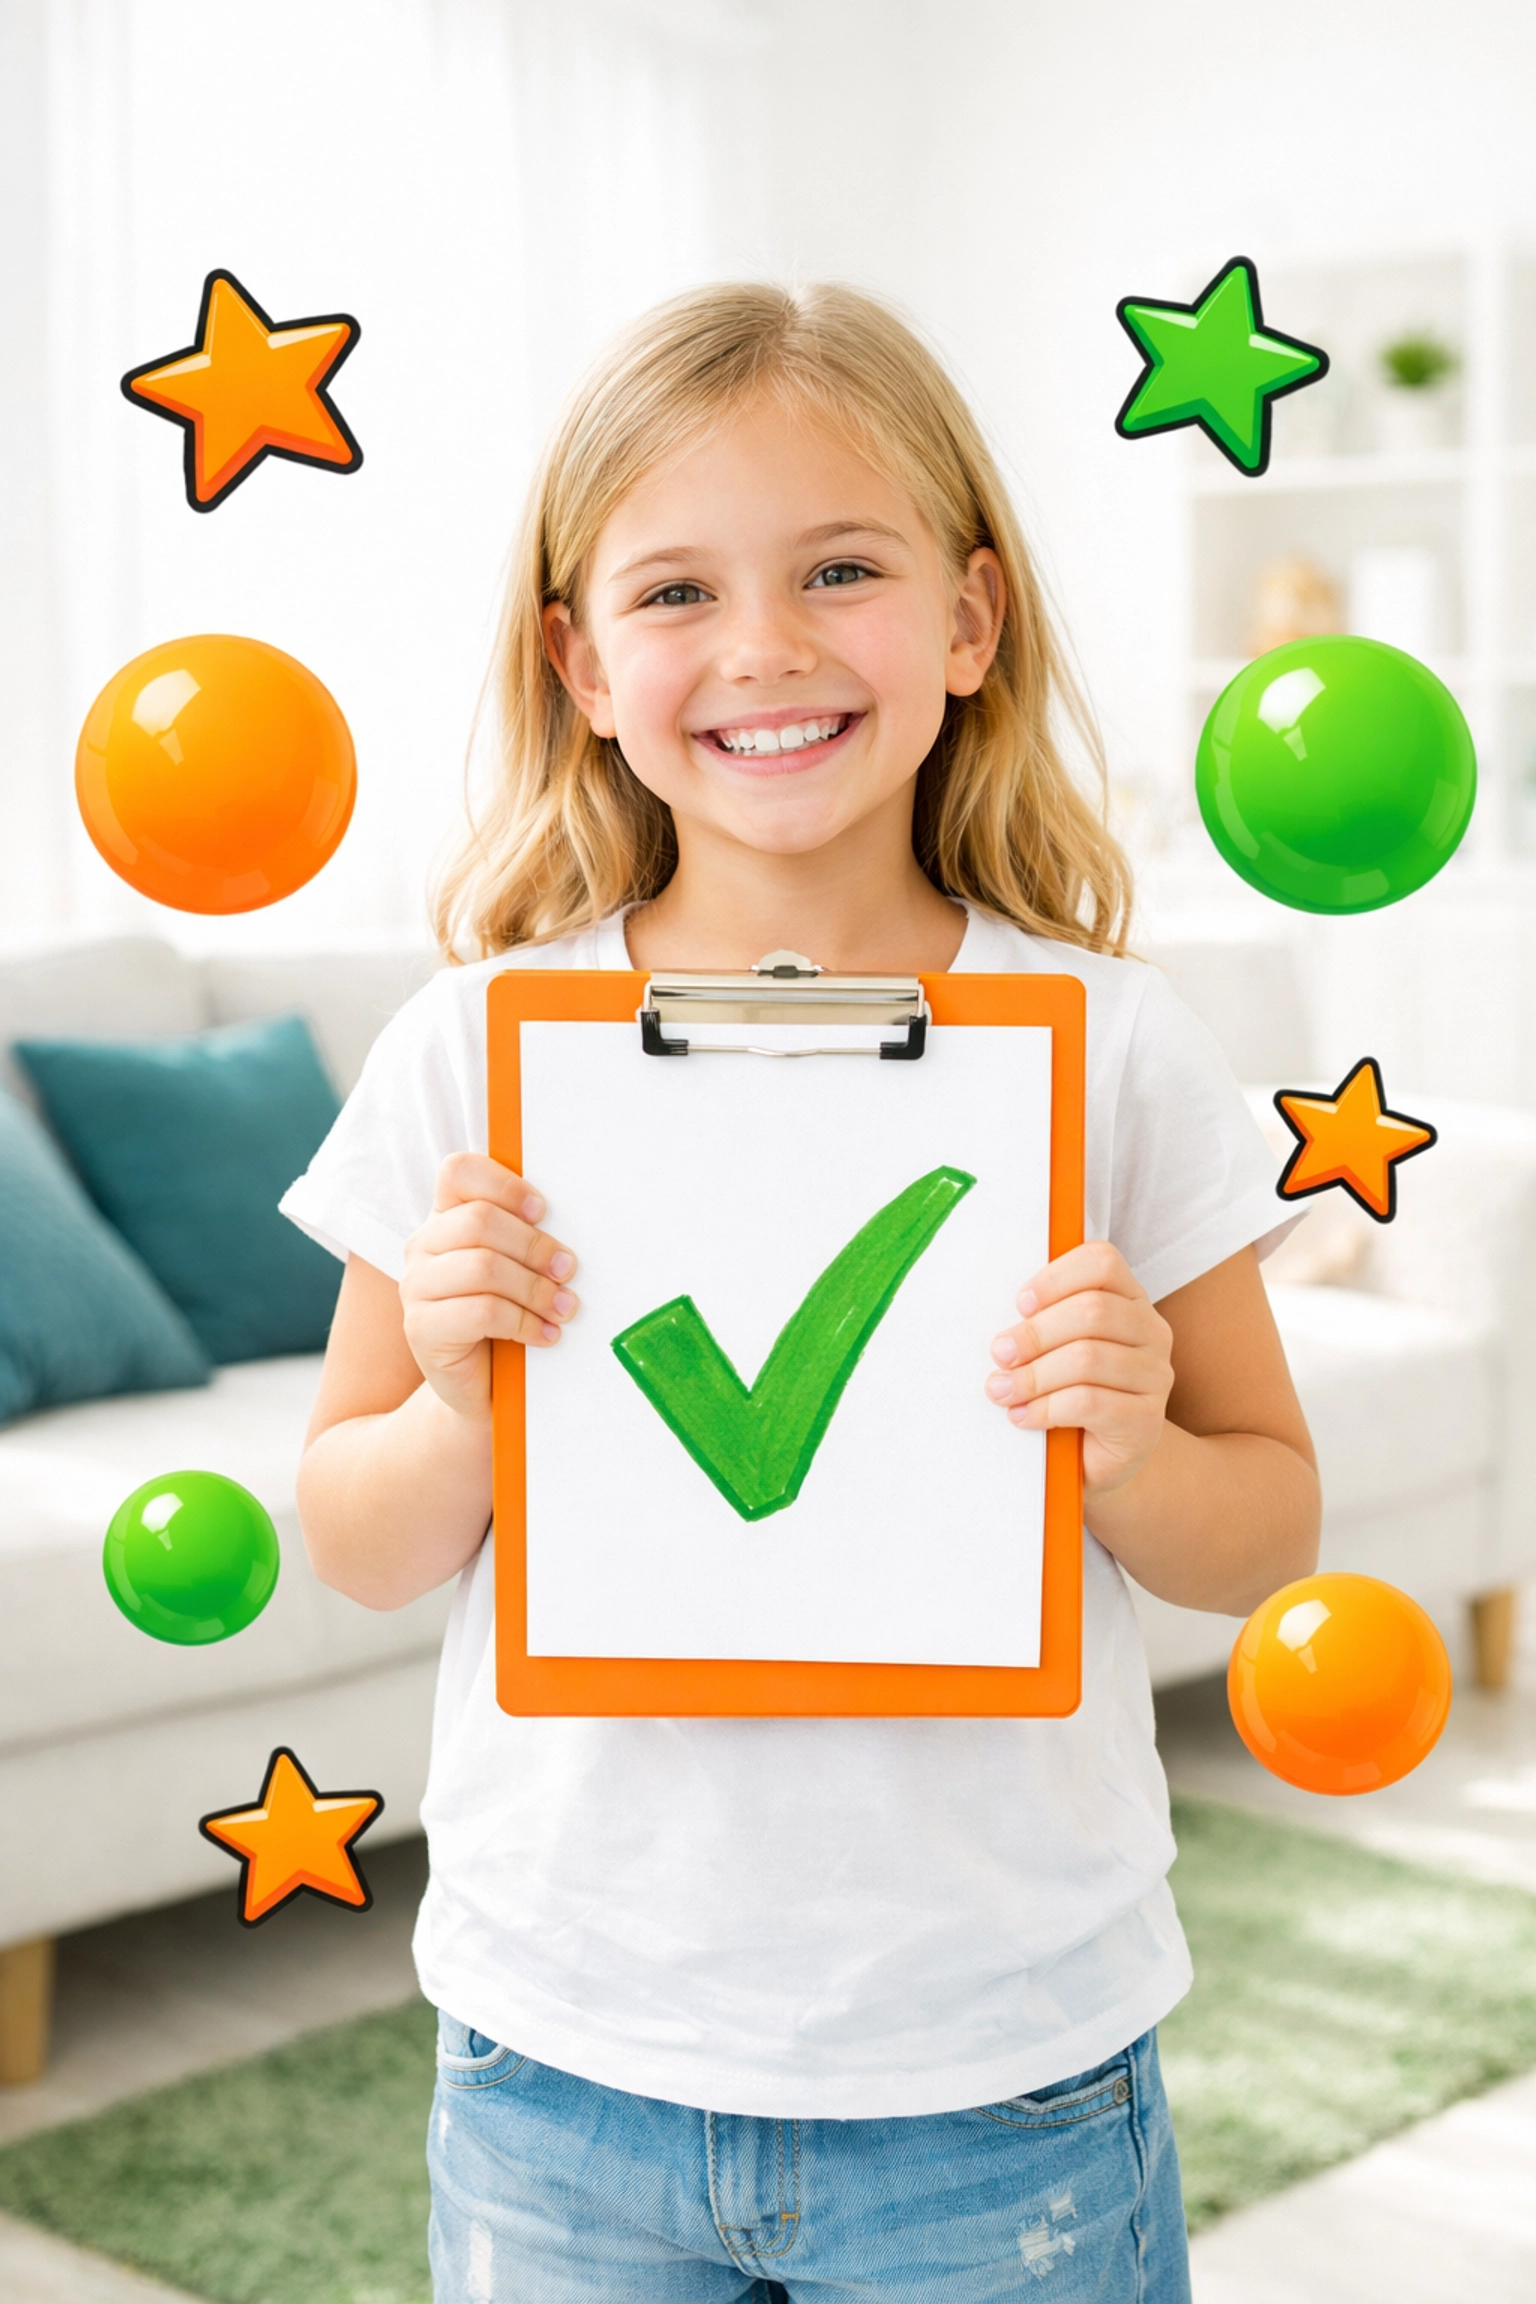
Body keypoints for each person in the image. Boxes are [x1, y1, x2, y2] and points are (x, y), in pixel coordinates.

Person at [284, 282, 1320, 2303]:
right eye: (678, 591)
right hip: (561, 2053)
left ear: (970, 619)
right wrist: (456, 1403)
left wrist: (1130, 1452)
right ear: (582, 666)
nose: (763, 644)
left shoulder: (1111, 1048)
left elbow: (1267, 1524)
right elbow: (355, 1537)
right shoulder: (475, 1049)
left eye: (840, 568)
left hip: (1001, 2066)